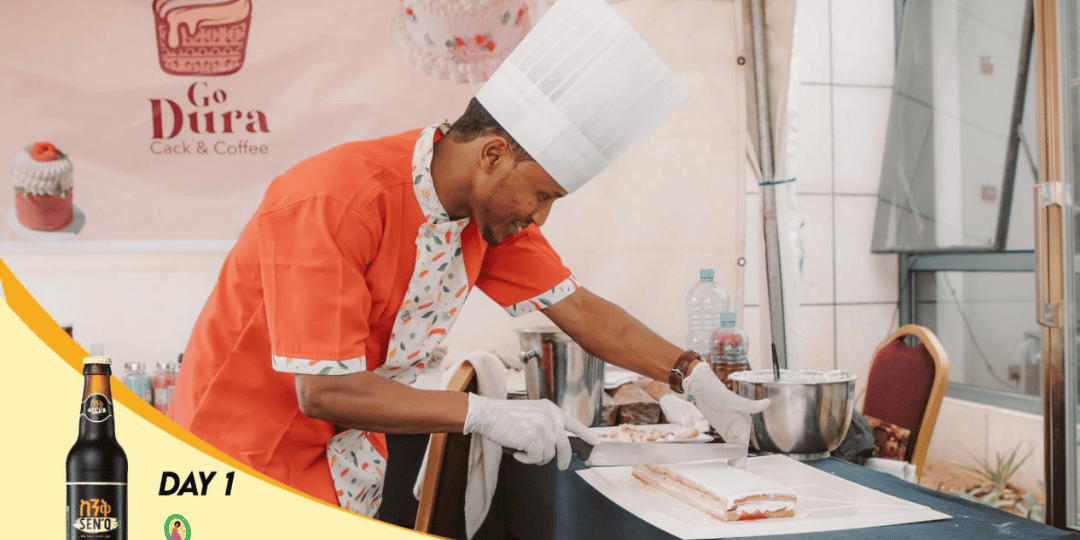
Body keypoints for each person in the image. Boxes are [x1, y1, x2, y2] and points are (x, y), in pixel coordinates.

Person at [169, 0, 769, 522]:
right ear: (493, 155)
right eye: (543, 195)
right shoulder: (333, 199)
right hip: (240, 466)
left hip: (343, 465)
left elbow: (581, 310)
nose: (540, 218)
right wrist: (483, 414)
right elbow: (323, 392)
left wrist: (689, 373)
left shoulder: (482, 216)